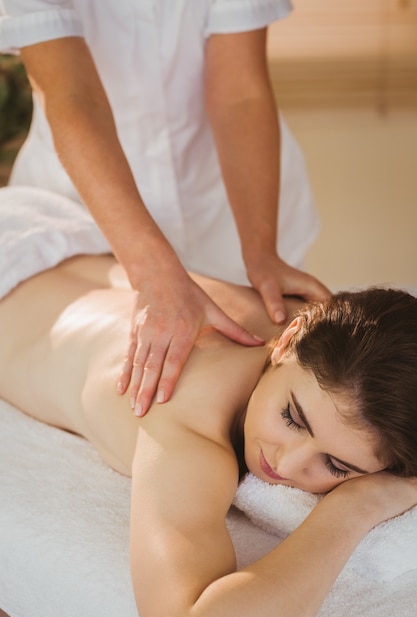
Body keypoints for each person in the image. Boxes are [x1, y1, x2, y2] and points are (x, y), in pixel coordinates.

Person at [0, 252, 416, 617]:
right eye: (291, 417)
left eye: (337, 466)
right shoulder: (191, 430)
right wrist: (352, 509)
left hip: (60, 254)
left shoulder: (322, 326)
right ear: (287, 340)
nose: (285, 465)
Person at [0, 1, 330, 417]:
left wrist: (261, 249)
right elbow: (72, 97)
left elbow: (239, 95)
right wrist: (151, 271)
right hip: (86, 206)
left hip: (227, 206)